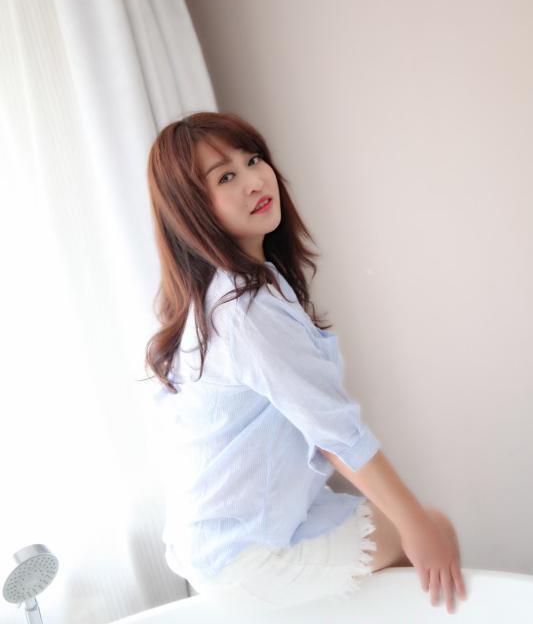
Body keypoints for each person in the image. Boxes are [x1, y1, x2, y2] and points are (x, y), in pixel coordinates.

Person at [144, 111, 467, 614]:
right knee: (432, 530)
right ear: (191, 208)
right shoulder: (244, 309)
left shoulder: (227, 294)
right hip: (245, 553)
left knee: (408, 542)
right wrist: (417, 527)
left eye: (254, 160)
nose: (255, 181)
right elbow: (334, 432)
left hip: (233, 536)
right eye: (225, 177)